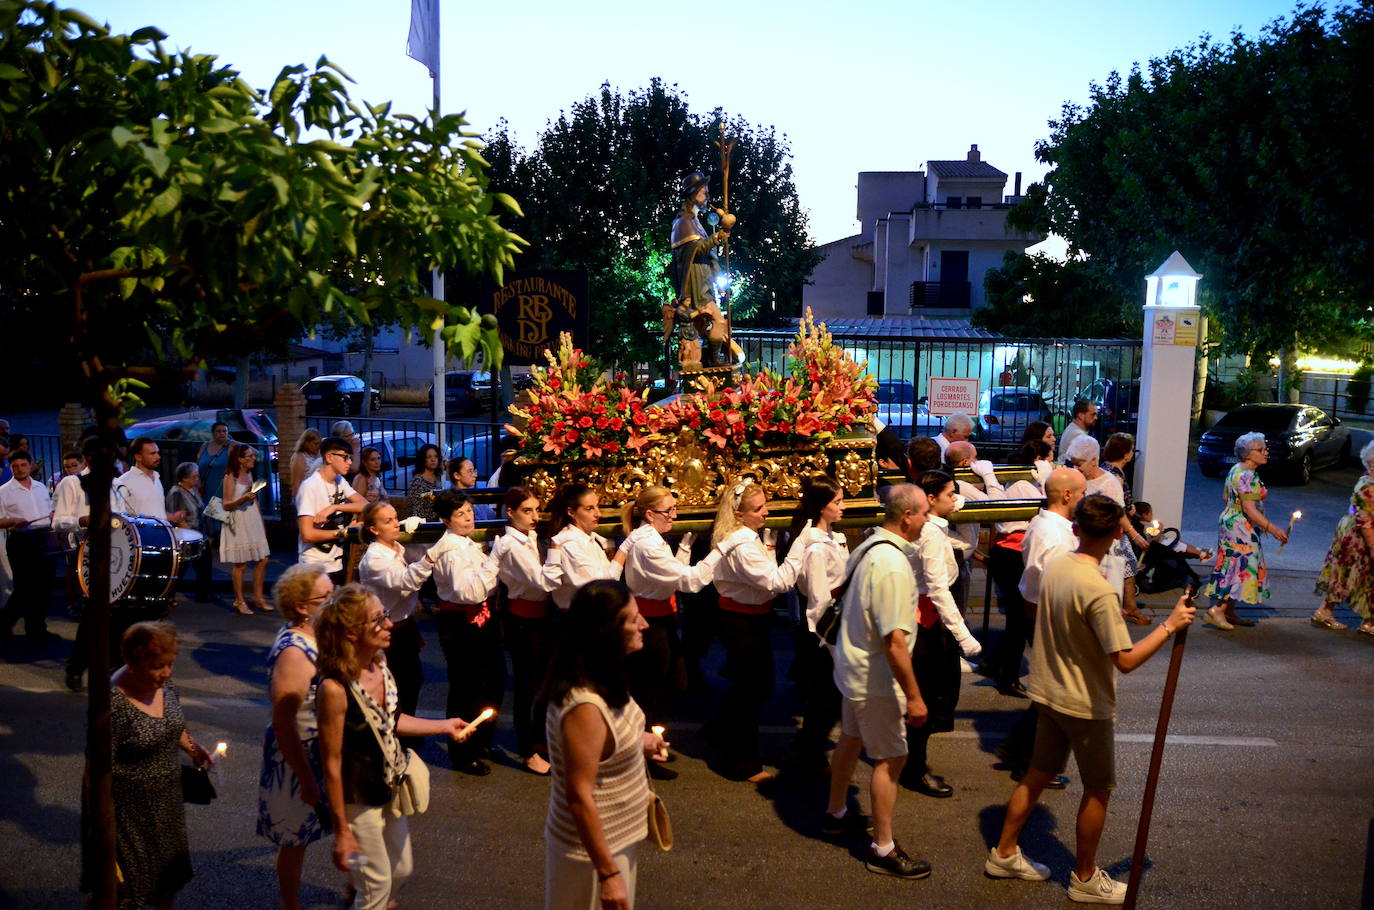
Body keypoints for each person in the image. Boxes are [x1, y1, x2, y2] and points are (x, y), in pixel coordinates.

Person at [985, 494, 1195, 905]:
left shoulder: (1060, 564)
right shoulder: (1098, 591)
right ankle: (1083, 877)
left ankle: (1005, 852)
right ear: (1118, 534)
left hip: (1048, 691)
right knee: (1098, 788)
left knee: (1038, 773)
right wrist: (1169, 626)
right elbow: (1126, 660)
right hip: (1084, 705)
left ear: (1077, 529)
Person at [316, 584, 474, 910]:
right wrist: (342, 831)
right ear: (350, 633)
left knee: (401, 869)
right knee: (377, 885)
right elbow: (330, 762)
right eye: (377, 620)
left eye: (385, 615)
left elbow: (391, 721)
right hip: (357, 797)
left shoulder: (381, 664)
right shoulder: (334, 689)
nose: (389, 624)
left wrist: (443, 726)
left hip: (389, 785)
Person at [824, 483, 932, 879]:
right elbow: (894, 641)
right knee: (891, 757)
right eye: (923, 513)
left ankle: (836, 812)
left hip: (853, 668)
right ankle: (883, 848)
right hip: (875, 679)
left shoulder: (868, 547)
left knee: (851, 740)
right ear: (907, 516)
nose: (927, 519)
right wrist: (915, 696)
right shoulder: (891, 565)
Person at [542, 579, 666, 910]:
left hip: (615, 838)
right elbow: (578, 794)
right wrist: (609, 875)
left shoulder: (603, 675)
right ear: (606, 631)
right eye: (633, 618)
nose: (645, 624)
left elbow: (605, 738)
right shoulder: (583, 704)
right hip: (591, 853)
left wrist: (641, 741)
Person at [98, 621, 213, 910]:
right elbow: (98, 771)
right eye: (158, 666)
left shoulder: (163, 683)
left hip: (167, 805)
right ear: (133, 661)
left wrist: (191, 747)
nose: (166, 673)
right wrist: (101, 826)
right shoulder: (114, 703)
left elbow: (173, 722)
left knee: (167, 882)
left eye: (170, 664)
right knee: (128, 893)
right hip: (130, 814)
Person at [619, 485, 721, 780]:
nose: (674, 516)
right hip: (650, 624)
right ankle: (643, 752)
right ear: (650, 514)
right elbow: (688, 581)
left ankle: (649, 741)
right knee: (651, 690)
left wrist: (687, 544)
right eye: (669, 511)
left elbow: (674, 572)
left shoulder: (652, 537)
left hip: (663, 617)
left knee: (675, 683)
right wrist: (719, 552)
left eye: (674, 510)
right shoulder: (647, 544)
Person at [706, 481, 806, 782]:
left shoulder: (749, 538)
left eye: (765, 505)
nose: (766, 512)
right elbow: (777, 583)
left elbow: (766, 573)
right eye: (758, 508)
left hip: (752, 618)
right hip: (741, 622)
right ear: (738, 514)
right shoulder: (743, 544)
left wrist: (773, 546)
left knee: (760, 683)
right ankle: (742, 763)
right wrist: (800, 545)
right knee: (748, 691)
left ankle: (718, 728)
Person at [993, 467, 1086, 788]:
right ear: (1068, 495)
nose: (1085, 498)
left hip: (1040, 614)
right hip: (1050, 618)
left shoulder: (1048, 526)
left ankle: (1018, 746)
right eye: (1083, 492)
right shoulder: (1054, 534)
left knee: (1051, 692)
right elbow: (1057, 584)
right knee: (1055, 695)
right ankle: (1027, 761)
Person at [257, 564, 333, 910]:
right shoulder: (293, 652)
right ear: (302, 606)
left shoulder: (321, 635)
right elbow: (285, 722)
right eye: (327, 597)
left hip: (323, 752)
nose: (335, 602)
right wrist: (305, 777)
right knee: (294, 839)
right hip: (297, 757)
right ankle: (291, 904)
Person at [906, 470, 982, 797]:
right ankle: (914, 768)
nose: (956, 499)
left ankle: (910, 762)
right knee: (923, 699)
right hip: (925, 623)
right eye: (950, 494)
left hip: (925, 619)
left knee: (928, 696)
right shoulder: (932, 534)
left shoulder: (932, 524)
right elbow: (938, 588)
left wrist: (954, 501)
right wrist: (963, 635)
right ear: (931, 500)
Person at [429, 489, 505, 775]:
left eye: (470, 512)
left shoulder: (465, 543)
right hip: (460, 623)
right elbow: (469, 591)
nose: (468, 518)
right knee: (466, 687)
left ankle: (482, 738)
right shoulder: (451, 551)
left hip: (480, 619)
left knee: (492, 680)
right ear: (446, 520)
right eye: (460, 514)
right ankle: (463, 751)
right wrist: (494, 561)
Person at [356, 501, 443, 749]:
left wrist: (421, 537)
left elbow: (418, 564)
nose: (396, 524)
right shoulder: (374, 558)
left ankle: (405, 732)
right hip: (383, 631)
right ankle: (392, 735)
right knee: (392, 685)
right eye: (388, 521)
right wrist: (432, 552)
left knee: (412, 679)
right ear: (373, 529)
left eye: (396, 518)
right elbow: (406, 581)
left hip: (403, 624)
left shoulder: (395, 548)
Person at [491, 486, 555, 775]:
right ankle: (528, 750)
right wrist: (557, 553)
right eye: (527, 511)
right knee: (526, 688)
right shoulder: (512, 545)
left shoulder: (528, 537)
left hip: (540, 619)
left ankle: (538, 741)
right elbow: (542, 582)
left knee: (542, 684)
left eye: (536, 510)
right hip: (523, 621)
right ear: (510, 512)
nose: (534, 516)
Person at [787, 475, 849, 773]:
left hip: (832, 624)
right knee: (823, 699)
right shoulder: (814, 547)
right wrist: (830, 642)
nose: (843, 507)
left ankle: (808, 746)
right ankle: (809, 755)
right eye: (837, 502)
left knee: (826, 698)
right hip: (823, 631)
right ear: (821, 507)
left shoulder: (829, 537)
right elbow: (818, 600)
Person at [1200, 431, 1287, 630]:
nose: (1266, 452)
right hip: (1240, 525)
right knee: (1238, 567)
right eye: (1260, 449)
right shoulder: (1247, 475)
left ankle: (1229, 611)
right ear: (1247, 454)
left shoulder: (1236, 469)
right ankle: (1218, 611)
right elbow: (1249, 508)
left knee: (1233, 565)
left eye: (1265, 448)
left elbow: (1226, 497)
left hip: (1231, 520)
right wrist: (1272, 528)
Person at [668, 170, 736, 369]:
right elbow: (695, 250)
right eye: (703, 190)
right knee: (719, 321)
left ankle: (710, 356)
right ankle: (714, 358)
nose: (707, 194)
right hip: (695, 282)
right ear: (692, 194)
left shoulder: (696, 222)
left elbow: (706, 251)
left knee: (709, 324)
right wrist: (719, 237)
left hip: (704, 279)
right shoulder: (683, 223)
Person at [1312, 439, 1374, 634]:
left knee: (1358, 575)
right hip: (1357, 537)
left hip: (1355, 533)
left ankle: (1366, 620)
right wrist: (1373, 546)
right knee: (1349, 573)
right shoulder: (1369, 486)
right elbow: (1365, 520)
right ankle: (1327, 612)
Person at [0, 449, 57, 644]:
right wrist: (12, 521)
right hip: (21, 540)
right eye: (15, 466)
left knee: (43, 587)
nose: (19, 469)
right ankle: (4, 625)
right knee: (24, 588)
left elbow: (48, 510)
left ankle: (37, 629)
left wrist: (52, 516)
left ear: (30, 464)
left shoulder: (41, 487)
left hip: (43, 538)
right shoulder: (4, 491)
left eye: (23, 465)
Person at [542, 483, 627, 612]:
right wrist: (625, 548)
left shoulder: (588, 537)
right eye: (589, 508)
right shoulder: (570, 544)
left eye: (597, 506)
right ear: (571, 512)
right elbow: (603, 585)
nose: (598, 514)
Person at [296, 436, 367, 586]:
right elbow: (307, 534)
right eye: (345, 457)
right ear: (329, 457)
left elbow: (365, 504)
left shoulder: (340, 481)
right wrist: (345, 533)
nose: (349, 462)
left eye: (350, 458)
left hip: (336, 561)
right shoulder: (310, 486)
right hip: (314, 565)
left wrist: (335, 507)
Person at [1100, 432, 1154, 626]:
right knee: (1125, 565)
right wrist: (1134, 533)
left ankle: (1127, 607)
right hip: (1116, 530)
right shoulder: (1115, 476)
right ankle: (1122, 609)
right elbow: (1118, 509)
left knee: (1127, 565)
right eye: (1131, 449)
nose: (1133, 453)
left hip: (1114, 529)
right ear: (1125, 453)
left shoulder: (1109, 470)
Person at [220, 445, 272, 615]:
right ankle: (239, 600)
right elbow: (226, 504)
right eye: (249, 456)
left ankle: (258, 597)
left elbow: (254, 499)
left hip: (252, 518)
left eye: (253, 456)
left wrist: (262, 522)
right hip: (238, 520)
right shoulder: (231, 477)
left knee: (263, 559)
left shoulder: (249, 474)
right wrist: (241, 499)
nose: (253, 459)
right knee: (241, 564)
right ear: (240, 459)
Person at [165, 462, 213, 604]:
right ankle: (169, 595)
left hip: (199, 533)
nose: (197, 478)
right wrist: (190, 537)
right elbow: (177, 517)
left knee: (205, 564)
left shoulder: (194, 490)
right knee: (181, 567)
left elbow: (201, 510)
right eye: (194, 476)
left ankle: (203, 594)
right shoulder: (176, 492)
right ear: (185, 478)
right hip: (187, 535)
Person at [115, 438, 185, 524]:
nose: (158, 457)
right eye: (152, 453)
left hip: (163, 534)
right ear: (138, 457)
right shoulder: (124, 482)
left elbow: (155, 511)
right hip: (142, 536)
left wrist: (172, 516)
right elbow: (118, 517)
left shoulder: (156, 478)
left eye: (157, 452)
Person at [194, 422, 232, 512]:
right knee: (204, 517)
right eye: (218, 431)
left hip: (220, 489)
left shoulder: (231, 446)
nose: (222, 433)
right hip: (204, 488)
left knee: (217, 517)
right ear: (213, 433)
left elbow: (253, 451)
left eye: (224, 431)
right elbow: (197, 465)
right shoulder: (205, 445)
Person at [447, 455, 495, 522]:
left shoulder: (475, 494)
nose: (475, 475)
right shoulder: (451, 499)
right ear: (457, 475)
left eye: (474, 471)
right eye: (470, 471)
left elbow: (492, 515)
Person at [405, 444, 443, 522]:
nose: (433, 459)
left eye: (435, 456)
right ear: (423, 459)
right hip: (424, 525)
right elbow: (415, 509)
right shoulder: (417, 482)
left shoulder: (437, 480)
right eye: (429, 457)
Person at [1057, 400, 1098, 465]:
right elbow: (1088, 467)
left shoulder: (1072, 428)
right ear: (1080, 416)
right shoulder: (1078, 435)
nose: (1096, 418)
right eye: (1093, 414)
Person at [289, 428, 323, 498]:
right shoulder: (299, 457)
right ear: (306, 443)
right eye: (315, 444)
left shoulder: (319, 454)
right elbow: (296, 483)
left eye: (320, 444)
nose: (318, 446)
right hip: (306, 494)